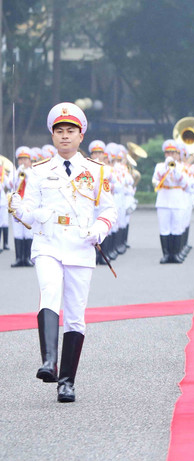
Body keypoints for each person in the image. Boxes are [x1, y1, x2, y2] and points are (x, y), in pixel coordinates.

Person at [9, 102, 117, 402]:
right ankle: (48, 361)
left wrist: (99, 230)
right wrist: (23, 212)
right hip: (48, 243)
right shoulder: (38, 172)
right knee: (49, 292)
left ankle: (67, 381)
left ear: (81, 135)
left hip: (81, 247)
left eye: (71, 131)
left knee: (75, 316)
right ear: (52, 136)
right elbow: (27, 212)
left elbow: (109, 210)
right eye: (59, 131)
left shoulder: (96, 171)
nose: (65, 136)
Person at [152, 140, 188, 263]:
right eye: (168, 153)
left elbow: (184, 183)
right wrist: (166, 168)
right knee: (164, 228)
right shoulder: (159, 166)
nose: (170, 155)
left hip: (177, 199)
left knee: (176, 228)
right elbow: (155, 180)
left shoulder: (182, 167)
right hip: (163, 199)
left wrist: (175, 170)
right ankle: (166, 254)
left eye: (172, 153)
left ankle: (175, 254)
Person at [11, 146, 34, 267]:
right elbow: (10, 184)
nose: (23, 162)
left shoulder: (33, 172)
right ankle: (19, 258)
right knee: (18, 232)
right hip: (16, 204)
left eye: (25, 159)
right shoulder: (15, 172)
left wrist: (26, 174)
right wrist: (18, 174)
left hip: (28, 204)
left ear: (30, 161)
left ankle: (28, 258)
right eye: (20, 159)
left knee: (28, 232)